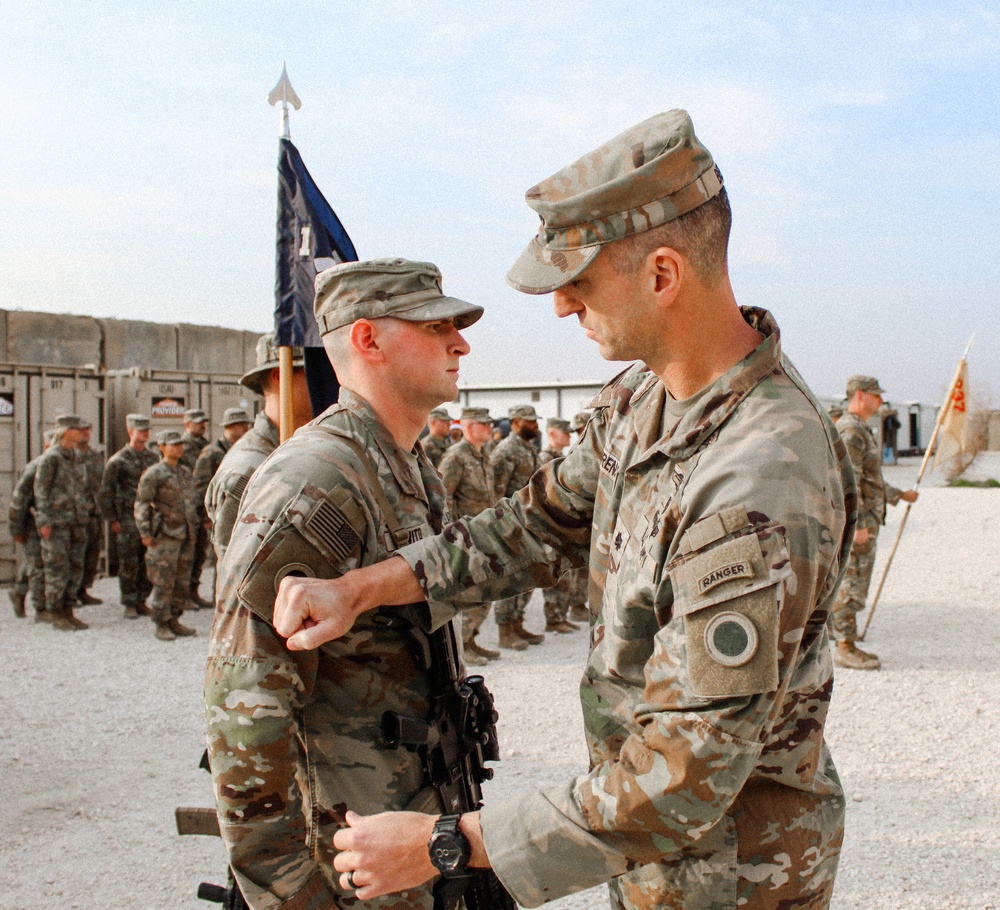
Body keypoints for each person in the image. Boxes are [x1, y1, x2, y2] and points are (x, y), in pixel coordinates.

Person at [272, 110, 857, 910]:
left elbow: (686, 773)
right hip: (652, 860)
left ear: (661, 275)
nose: (560, 308)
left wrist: (447, 844)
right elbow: (530, 525)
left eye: (577, 283)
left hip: (735, 875)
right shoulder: (641, 401)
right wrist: (361, 588)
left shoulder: (761, 476)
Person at [204, 257, 483, 909]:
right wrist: (288, 893)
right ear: (367, 340)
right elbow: (244, 707)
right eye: (434, 325)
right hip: (344, 859)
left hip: (406, 830)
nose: (461, 342)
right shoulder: (315, 481)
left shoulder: (409, 468)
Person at [829, 375, 917, 670]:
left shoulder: (861, 429)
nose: (880, 401)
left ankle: (840, 635)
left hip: (865, 520)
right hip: (859, 524)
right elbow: (847, 483)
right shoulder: (851, 431)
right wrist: (856, 526)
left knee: (853, 580)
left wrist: (898, 494)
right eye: (876, 396)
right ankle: (845, 645)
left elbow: (869, 480)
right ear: (861, 396)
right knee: (852, 583)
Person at [203, 335, 310, 568]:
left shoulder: (298, 449)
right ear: (281, 376)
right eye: (317, 372)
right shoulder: (247, 470)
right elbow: (238, 585)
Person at [437, 406, 500, 665]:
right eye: (484, 425)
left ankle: (471, 638)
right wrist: (453, 534)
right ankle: (462, 645)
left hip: (484, 531)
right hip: (465, 535)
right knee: (471, 592)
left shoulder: (482, 455)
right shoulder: (456, 456)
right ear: (470, 427)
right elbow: (443, 496)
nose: (490, 429)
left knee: (487, 590)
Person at [134, 429, 203, 641]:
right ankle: (161, 623)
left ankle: (174, 618)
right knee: (163, 580)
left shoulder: (184, 472)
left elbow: (191, 502)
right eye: (173, 444)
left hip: (185, 534)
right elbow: (142, 504)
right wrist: (145, 532)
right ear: (162, 447)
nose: (178, 448)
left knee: (181, 581)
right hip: (164, 535)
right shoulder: (154, 473)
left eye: (180, 444)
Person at [490, 404, 545, 648]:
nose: (535, 425)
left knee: (527, 576)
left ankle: (518, 623)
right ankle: (505, 631)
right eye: (529, 421)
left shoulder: (528, 448)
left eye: (535, 421)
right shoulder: (506, 450)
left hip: (529, 524)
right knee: (508, 579)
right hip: (510, 524)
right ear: (514, 423)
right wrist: (502, 526)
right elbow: (496, 491)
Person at [34, 415, 94, 631]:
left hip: (76, 521)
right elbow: (41, 491)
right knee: (56, 568)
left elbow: (82, 488)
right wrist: (44, 521)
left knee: (76, 566)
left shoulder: (76, 456)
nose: (81, 433)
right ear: (66, 431)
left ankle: (68, 609)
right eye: (77, 429)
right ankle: (55, 611)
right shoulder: (52, 457)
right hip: (57, 523)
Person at [99, 414, 158, 619]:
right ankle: (130, 602)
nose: (145, 434)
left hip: (148, 518)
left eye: (147, 430)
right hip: (126, 518)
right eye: (141, 430)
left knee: (148, 561)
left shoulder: (152, 458)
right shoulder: (118, 460)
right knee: (129, 562)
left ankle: (142, 599)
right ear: (130, 431)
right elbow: (106, 491)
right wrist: (112, 519)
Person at [537, 417, 581, 633]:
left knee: (567, 573)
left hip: (562, 522)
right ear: (553, 434)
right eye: (565, 432)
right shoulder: (545, 458)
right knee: (554, 572)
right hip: (550, 523)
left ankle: (560, 615)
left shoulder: (560, 458)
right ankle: (553, 618)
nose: (570, 436)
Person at [8, 430, 57, 621]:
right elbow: (18, 502)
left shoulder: (63, 465)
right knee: (38, 564)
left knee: (33, 561)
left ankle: (19, 592)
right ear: (46, 446)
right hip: (34, 523)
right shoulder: (35, 467)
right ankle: (41, 609)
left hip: (54, 523)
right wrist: (16, 530)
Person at [178, 407, 212, 609]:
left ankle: (193, 591)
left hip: (202, 507)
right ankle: (182, 596)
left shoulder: (206, 446)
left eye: (204, 422)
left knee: (200, 552)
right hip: (186, 508)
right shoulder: (179, 448)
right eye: (198, 422)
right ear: (187, 424)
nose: (202, 425)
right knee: (186, 554)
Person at [74, 422, 105, 606]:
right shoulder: (68, 456)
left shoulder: (96, 456)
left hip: (94, 511)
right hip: (76, 513)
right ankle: (70, 593)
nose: (85, 433)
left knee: (92, 553)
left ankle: (83, 589)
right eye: (81, 430)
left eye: (88, 430)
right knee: (76, 555)